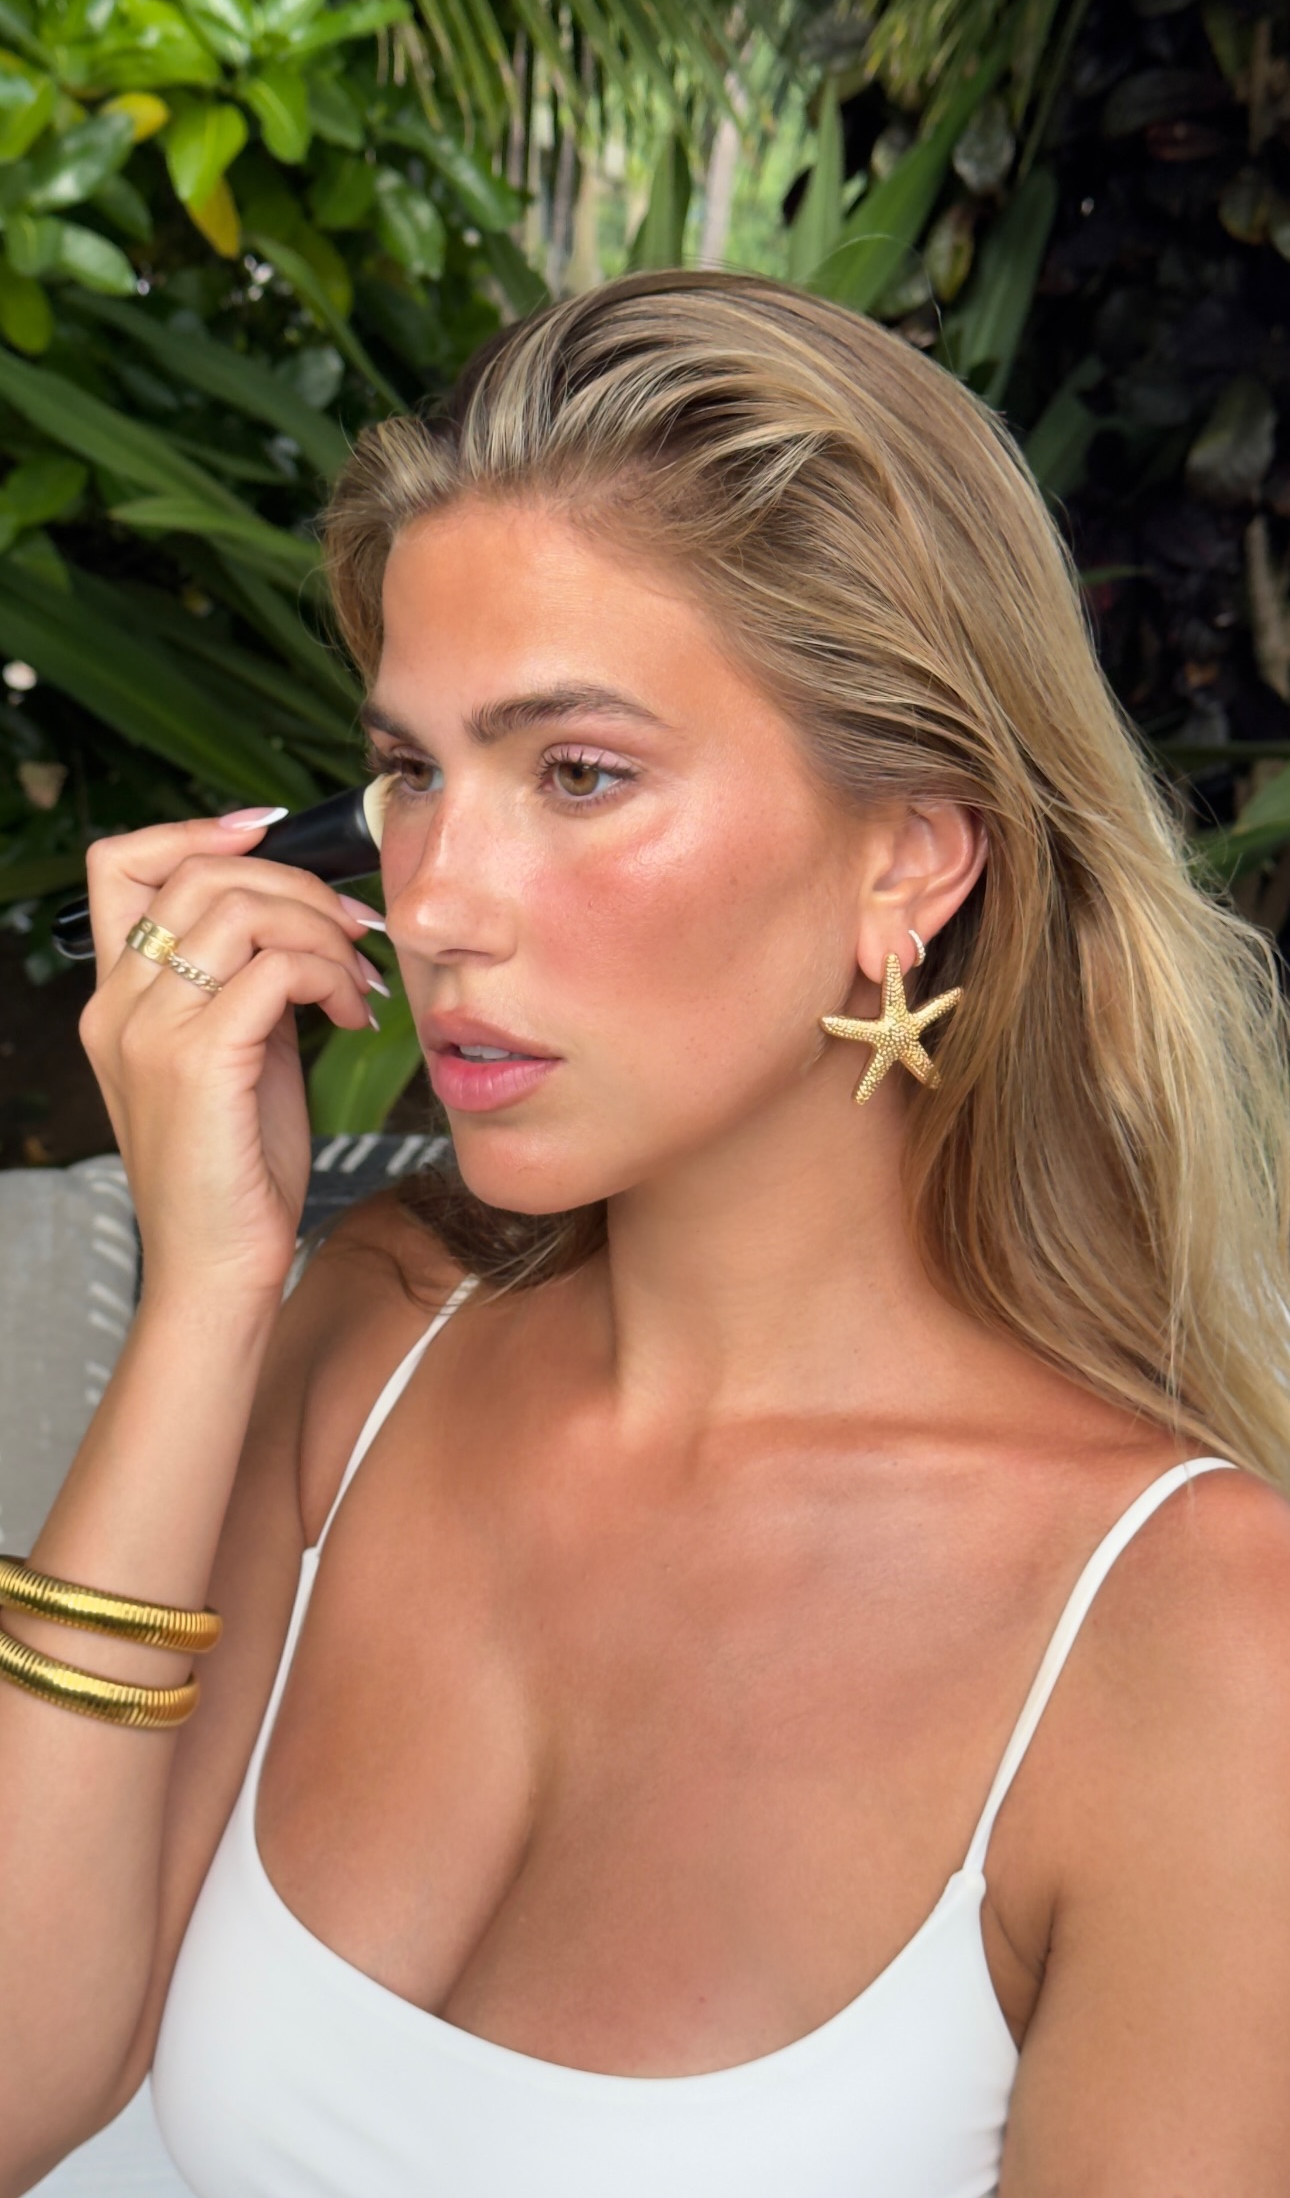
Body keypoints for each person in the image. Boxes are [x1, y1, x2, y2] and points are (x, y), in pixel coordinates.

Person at [2, 270, 1289, 2198]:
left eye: (579, 773)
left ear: (907, 856)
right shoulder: (373, 1331)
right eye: (412, 772)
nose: (437, 900)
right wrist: (204, 1290)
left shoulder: (1193, 1638)